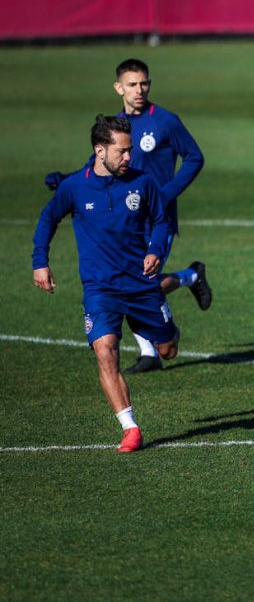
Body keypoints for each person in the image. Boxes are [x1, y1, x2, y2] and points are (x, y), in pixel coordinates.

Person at [44, 58, 210, 374]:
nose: (139, 90)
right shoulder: (115, 128)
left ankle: (157, 340)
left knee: (142, 281)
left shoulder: (165, 121)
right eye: (132, 84)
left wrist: (167, 193)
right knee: (131, 281)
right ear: (119, 87)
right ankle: (155, 341)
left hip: (156, 215)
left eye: (144, 83)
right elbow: (96, 165)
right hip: (124, 217)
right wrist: (66, 179)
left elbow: (194, 157)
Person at [33, 115, 181, 453]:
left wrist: (155, 249)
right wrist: (40, 262)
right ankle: (130, 428)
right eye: (122, 152)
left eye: (130, 151)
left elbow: (160, 221)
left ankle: (170, 332)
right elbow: (47, 218)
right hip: (101, 288)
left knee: (167, 351)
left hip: (142, 285)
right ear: (100, 151)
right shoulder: (74, 187)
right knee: (105, 351)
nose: (130, 158)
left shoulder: (143, 183)